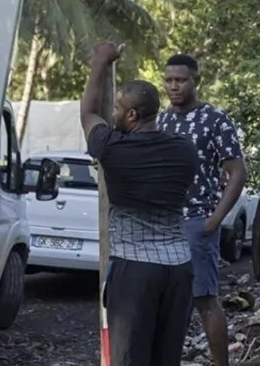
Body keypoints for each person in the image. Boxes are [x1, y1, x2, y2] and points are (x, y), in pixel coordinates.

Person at [79, 42, 198, 366]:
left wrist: (101, 62)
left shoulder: (112, 148)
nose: (112, 113)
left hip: (135, 271)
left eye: (117, 108)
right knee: (167, 357)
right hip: (179, 269)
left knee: (129, 358)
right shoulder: (185, 150)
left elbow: (88, 113)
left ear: (131, 115)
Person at [156, 54, 247, 366]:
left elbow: (237, 172)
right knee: (166, 302)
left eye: (180, 80)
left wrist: (214, 220)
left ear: (196, 81)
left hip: (197, 221)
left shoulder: (215, 120)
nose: (173, 86)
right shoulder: (162, 120)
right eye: (168, 80)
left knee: (205, 300)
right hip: (164, 223)